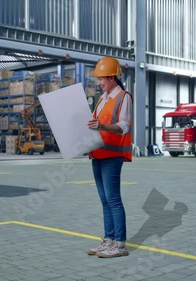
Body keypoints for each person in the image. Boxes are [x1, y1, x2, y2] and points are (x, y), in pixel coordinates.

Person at [86, 56, 133, 258]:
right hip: (98, 153)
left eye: (101, 78)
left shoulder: (124, 97)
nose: (99, 82)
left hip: (112, 155)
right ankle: (109, 240)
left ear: (112, 77)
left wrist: (102, 126)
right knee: (105, 200)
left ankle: (120, 244)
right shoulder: (102, 99)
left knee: (113, 199)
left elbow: (124, 126)